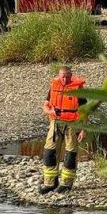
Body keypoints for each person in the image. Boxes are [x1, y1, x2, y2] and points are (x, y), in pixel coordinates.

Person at [40, 66, 86, 194]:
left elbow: (84, 111)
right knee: (49, 152)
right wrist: (50, 111)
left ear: (71, 76)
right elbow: (45, 106)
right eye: (63, 77)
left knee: (70, 154)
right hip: (55, 123)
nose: (65, 79)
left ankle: (66, 184)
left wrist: (83, 130)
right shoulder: (54, 87)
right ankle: (50, 183)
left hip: (72, 124)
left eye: (67, 77)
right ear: (59, 76)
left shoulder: (78, 89)